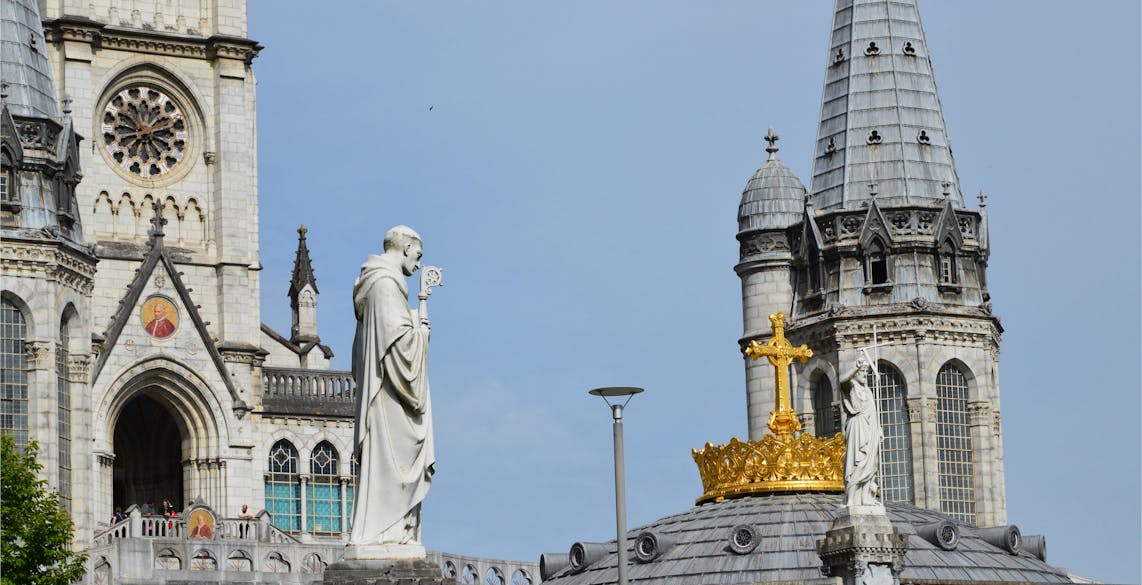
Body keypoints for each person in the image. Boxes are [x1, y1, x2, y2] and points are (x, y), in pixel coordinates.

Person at [348, 226, 435, 549]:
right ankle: (387, 531)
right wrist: (421, 332)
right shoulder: (385, 285)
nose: (418, 262)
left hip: (385, 391)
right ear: (407, 246)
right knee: (397, 458)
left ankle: (393, 530)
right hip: (390, 397)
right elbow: (401, 351)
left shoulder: (377, 284)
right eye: (418, 254)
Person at [839, 355, 883, 510]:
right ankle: (851, 499)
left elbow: (872, 411)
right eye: (862, 372)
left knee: (870, 464)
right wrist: (854, 367)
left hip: (870, 429)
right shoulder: (851, 386)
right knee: (856, 463)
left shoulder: (869, 391)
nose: (865, 375)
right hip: (857, 426)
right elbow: (842, 381)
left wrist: (878, 429)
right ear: (856, 373)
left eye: (866, 372)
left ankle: (865, 497)